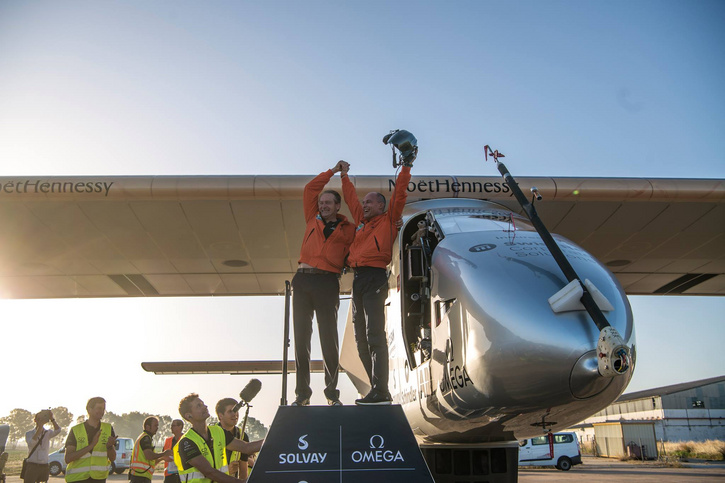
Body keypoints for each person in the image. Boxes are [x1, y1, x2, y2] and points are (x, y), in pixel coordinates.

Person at [341, 146, 415, 405]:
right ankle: (376, 389)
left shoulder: (388, 219)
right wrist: (344, 176)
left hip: (375, 277)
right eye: (365, 203)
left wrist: (406, 165)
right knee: (360, 338)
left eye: (370, 202)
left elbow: (400, 194)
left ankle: (382, 390)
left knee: (374, 335)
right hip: (358, 280)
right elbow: (351, 201)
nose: (364, 205)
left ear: (381, 206)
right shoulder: (362, 222)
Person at [292, 160, 355, 407]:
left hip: (328, 283)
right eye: (321, 203)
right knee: (301, 339)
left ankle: (331, 395)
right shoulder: (312, 218)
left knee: (329, 339)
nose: (323, 206)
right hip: (303, 281)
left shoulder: (349, 229)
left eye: (328, 203)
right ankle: (302, 395)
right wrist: (332, 172)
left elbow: (359, 249)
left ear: (337, 206)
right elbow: (310, 189)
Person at [173, 394, 263, 483]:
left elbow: (246, 447)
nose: (205, 406)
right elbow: (209, 472)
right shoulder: (186, 442)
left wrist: (273, 438)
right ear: (189, 416)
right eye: (199, 406)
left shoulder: (218, 432)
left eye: (203, 403)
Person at [64, 397, 117, 483]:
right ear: (89, 409)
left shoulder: (108, 428)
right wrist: (91, 445)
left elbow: (112, 458)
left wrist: (110, 447)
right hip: (77, 479)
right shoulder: (76, 430)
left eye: (103, 409)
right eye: (99, 408)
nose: (102, 411)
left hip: (99, 478)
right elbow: (68, 458)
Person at [214, 399, 252, 479]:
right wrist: (226, 470)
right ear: (220, 415)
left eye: (236, 410)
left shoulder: (242, 436)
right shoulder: (211, 434)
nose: (235, 414)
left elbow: (243, 472)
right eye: (230, 411)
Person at [129, 416, 173, 483]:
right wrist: (164, 453)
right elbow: (149, 456)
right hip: (140, 477)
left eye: (157, 426)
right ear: (147, 427)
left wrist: (162, 458)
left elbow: (152, 461)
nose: (157, 428)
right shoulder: (145, 438)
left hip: (140, 475)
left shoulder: (145, 437)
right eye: (155, 426)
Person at [23, 409, 61, 483]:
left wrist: (52, 419)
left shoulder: (47, 432)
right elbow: (31, 444)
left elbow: (58, 430)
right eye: (39, 419)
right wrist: (39, 428)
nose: (41, 420)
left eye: (43, 418)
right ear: (35, 420)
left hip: (44, 466)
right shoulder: (29, 433)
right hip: (32, 466)